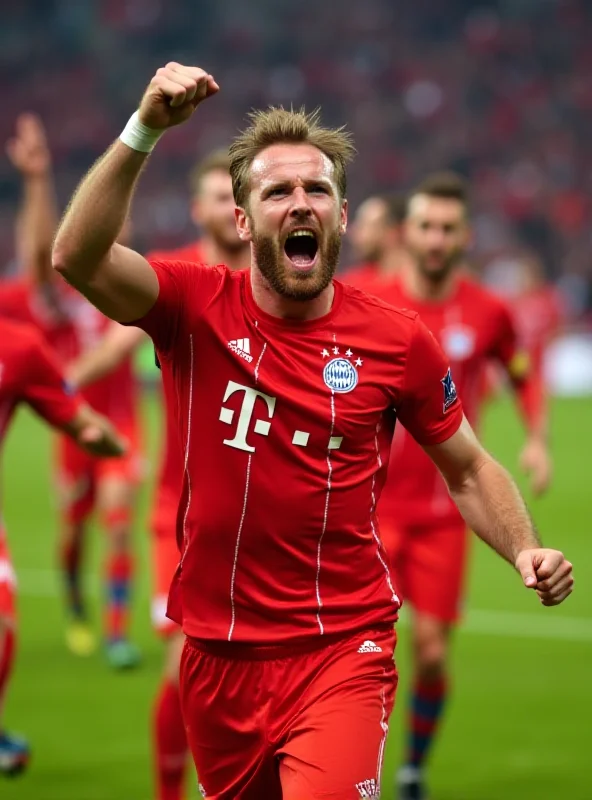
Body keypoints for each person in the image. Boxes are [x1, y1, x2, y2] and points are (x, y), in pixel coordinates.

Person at [52, 63, 573, 800]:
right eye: (278, 191)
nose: (301, 203)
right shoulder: (192, 307)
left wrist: (526, 547)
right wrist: (144, 131)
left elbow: (466, 466)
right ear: (242, 220)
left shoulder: (397, 340)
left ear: (344, 215)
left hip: (342, 648)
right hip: (217, 652)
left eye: (317, 190)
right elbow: (75, 258)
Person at [348, 172, 553, 800]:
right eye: (426, 227)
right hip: (368, 510)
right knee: (361, 654)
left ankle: (411, 765)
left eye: (448, 228)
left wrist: (536, 437)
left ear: (465, 237)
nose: (436, 239)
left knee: (432, 653)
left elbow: (522, 373)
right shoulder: (363, 298)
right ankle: (356, 771)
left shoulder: (489, 312)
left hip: (446, 512)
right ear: (406, 234)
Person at [67, 149, 250, 800]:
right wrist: (53, 389)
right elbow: (116, 342)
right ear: (199, 210)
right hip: (183, 511)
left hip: (260, 522)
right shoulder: (175, 274)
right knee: (184, 670)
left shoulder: (280, 282)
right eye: (213, 196)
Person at [2, 114, 143, 667]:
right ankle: (75, 599)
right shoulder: (62, 291)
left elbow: (115, 350)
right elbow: (38, 257)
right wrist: (37, 179)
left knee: (116, 517)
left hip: (121, 421)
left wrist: (47, 382)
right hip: (72, 425)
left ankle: (115, 633)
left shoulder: (137, 286)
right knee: (74, 528)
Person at [0, 314, 125, 777]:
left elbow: (71, 409)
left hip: (110, 428)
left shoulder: (18, 346)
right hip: (74, 460)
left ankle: (113, 632)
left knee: (2, 619)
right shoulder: (40, 307)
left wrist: (99, 435)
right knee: (74, 534)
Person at [345, 192, 410, 287]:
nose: (352, 232)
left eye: (363, 226)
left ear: (393, 233)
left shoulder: (421, 287)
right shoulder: (350, 285)